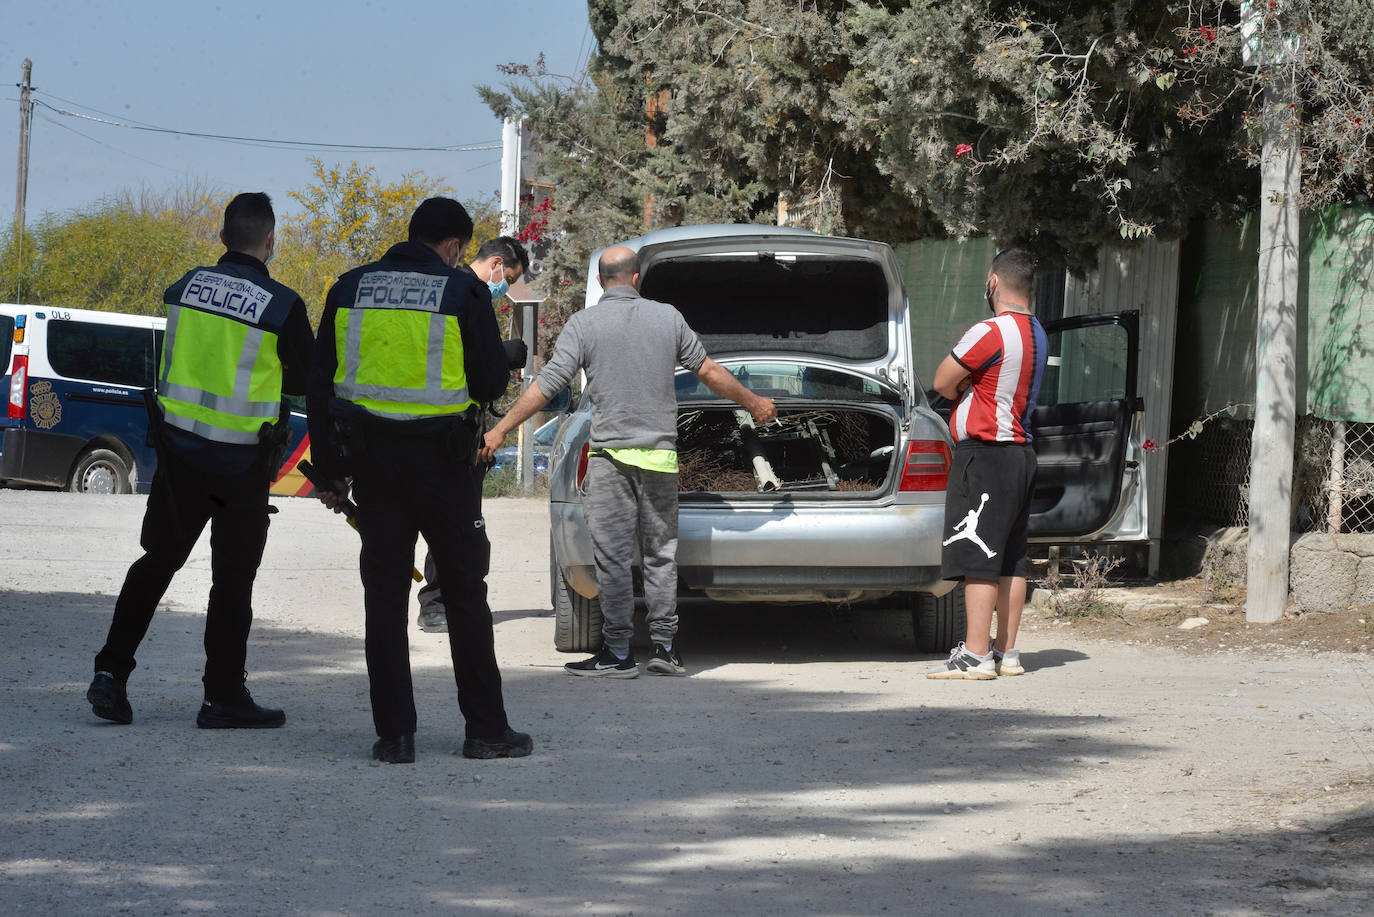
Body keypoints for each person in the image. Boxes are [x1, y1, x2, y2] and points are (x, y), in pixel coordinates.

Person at [478, 245, 776, 678]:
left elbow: (547, 386)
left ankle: (618, 652)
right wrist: (754, 403)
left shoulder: (585, 323)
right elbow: (708, 371)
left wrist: (501, 428)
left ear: (601, 282)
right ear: (637, 279)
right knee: (660, 554)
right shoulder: (668, 317)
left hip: (610, 460)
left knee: (614, 558)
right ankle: (666, 648)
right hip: (659, 458)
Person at [307, 197, 531, 764]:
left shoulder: (348, 288)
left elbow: (319, 384)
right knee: (464, 596)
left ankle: (394, 737)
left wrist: (332, 472)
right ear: (455, 245)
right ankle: (485, 731)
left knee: (382, 602)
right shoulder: (462, 293)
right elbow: (485, 383)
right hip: (445, 468)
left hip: (374, 468)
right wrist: (503, 357)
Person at [87, 192, 313, 728]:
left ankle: (110, 673)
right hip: (240, 466)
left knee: (156, 563)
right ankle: (223, 698)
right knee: (232, 582)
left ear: (222, 237)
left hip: (180, 455)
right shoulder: (281, 304)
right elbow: (306, 381)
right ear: (271, 240)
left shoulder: (184, 288)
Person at [926, 247, 1047, 680]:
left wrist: (964, 389)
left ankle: (975, 655)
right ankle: (1007, 652)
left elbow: (942, 381)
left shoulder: (989, 332)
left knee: (978, 553)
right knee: (1012, 558)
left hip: (986, 455)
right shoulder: (1037, 331)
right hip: (1021, 455)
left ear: (994, 282)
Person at [416, 235, 530, 634]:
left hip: (459, 427)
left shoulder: (460, 292)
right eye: (509, 278)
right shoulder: (464, 292)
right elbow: (465, 363)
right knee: (451, 522)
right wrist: (503, 356)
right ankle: (436, 602)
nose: (506, 288)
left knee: (457, 523)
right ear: (497, 263)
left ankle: (447, 602)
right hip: (449, 431)